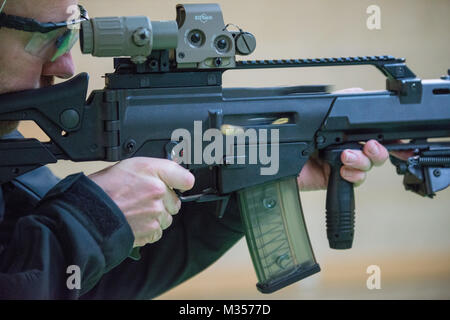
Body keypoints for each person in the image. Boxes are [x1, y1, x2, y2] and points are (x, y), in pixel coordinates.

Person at [0, 0, 391, 299]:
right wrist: (92, 218)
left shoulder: (11, 154)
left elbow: (88, 287)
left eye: (68, 37)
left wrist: (245, 181)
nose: (67, 65)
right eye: (49, 37)